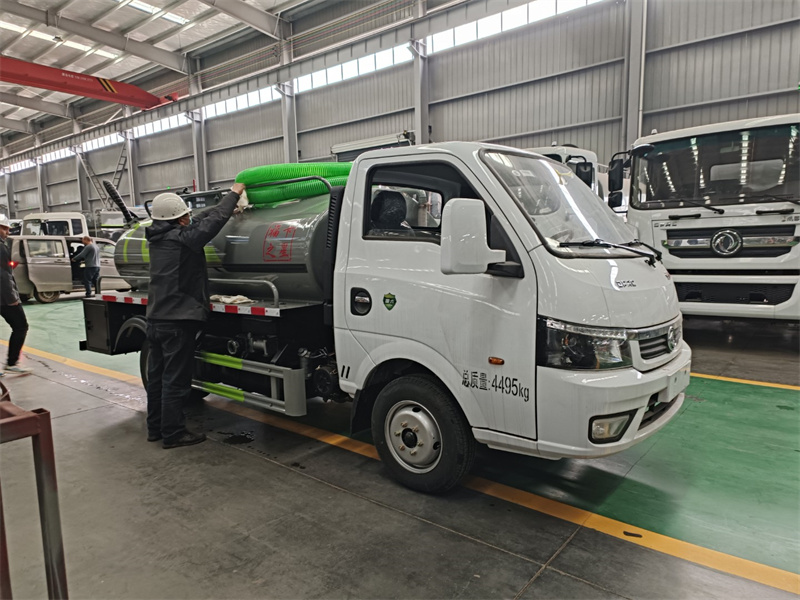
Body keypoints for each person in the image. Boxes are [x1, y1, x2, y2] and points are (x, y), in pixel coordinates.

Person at [145, 184, 246, 449]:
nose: (190, 218)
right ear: (180, 219)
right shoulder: (183, 239)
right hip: (177, 320)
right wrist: (234, 194)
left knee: (157, 379)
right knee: (175, 381)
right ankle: (173, 433)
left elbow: (200, 219)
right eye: (186, 215)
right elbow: (209, 225)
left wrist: (225, 205)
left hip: (155, 318)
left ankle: (155, 429)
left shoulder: (158, 238)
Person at [0, 217, 32, 375]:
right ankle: (12, 362)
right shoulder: (1, 247)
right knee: (20, 326)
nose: (7, 232)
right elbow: (3, 275)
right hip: (3, 298)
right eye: (4, 228)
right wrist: (12, 298)